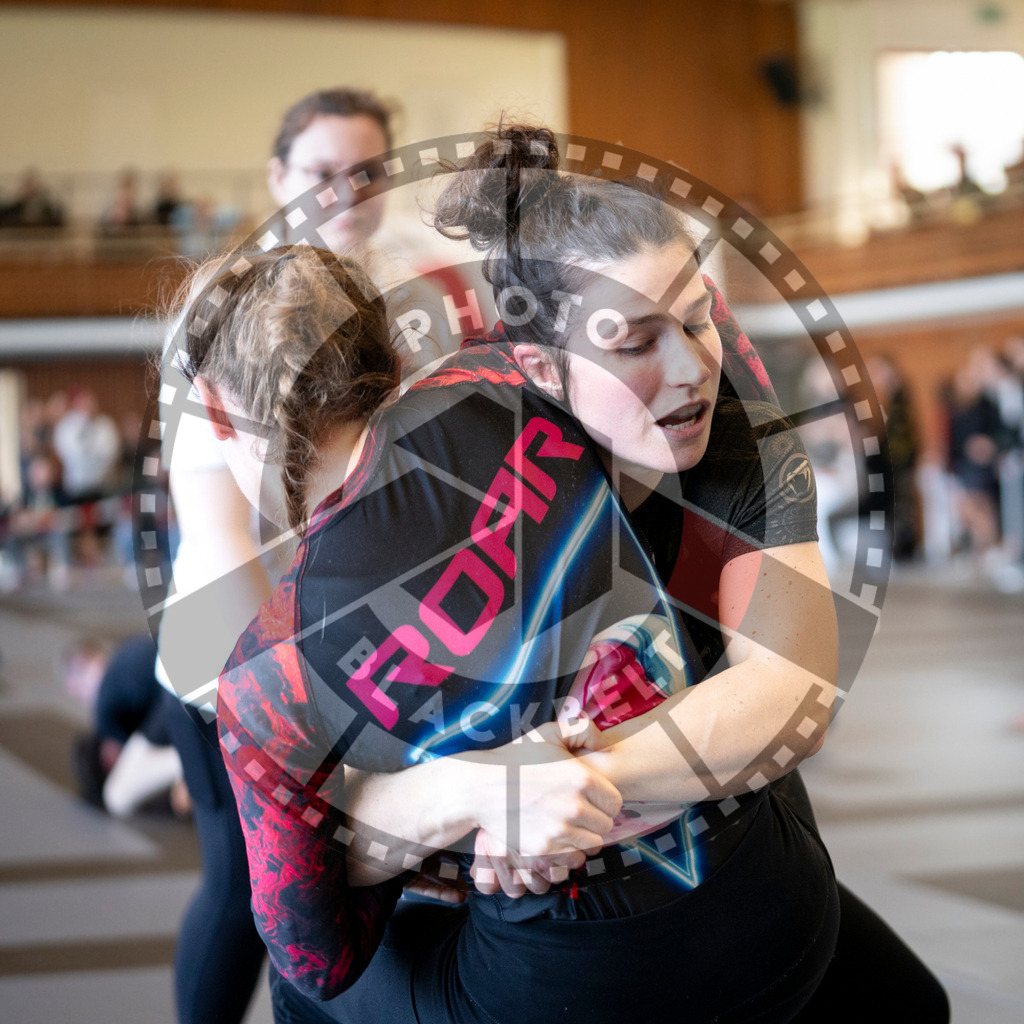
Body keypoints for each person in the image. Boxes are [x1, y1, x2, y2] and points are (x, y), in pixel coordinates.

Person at [176, 224, 839, 1023]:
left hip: (573, 987)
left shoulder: (268, 673)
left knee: (303, 984)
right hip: (781, 904)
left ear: (216, 414)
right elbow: (689, 318)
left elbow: (318, 955)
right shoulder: (521, 370)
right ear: (389, 351)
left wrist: (476, 792)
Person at [155, 86, 432, 1024]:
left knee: (364, 901)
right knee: (255, 897)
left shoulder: (399, 304)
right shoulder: (225, 319)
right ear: (278, 178)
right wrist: (293, 715)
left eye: (369, 173)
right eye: (322, 173)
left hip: (349, 658)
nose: (348, 193)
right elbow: (218, 536)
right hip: (232, 662)